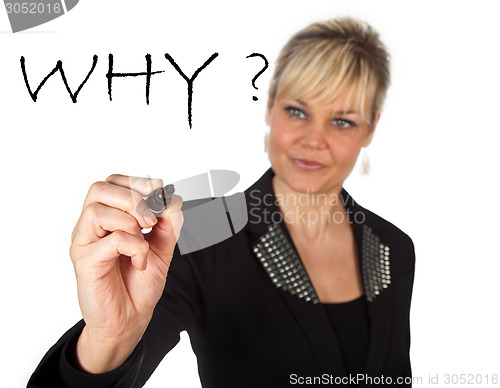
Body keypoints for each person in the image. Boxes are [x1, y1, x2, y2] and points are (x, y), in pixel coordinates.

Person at [27, 17, 415, 387]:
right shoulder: (202, 228)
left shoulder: (394, 248)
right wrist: (108, 340)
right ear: (270, 108)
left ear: (371, 128)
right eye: (297, 111)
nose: (313, 140)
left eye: (342, 121)